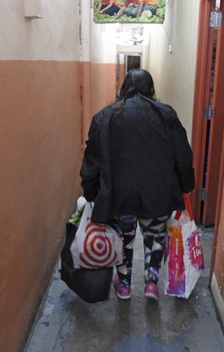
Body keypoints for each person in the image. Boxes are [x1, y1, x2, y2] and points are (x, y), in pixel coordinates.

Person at [80, 69, 194, 300]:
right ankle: (151, 283)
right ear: (151, 89)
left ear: (124, 88)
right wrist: (186, 185)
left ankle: (124, 286)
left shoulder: (104, 117)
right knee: (154, 236)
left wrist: (91, 191)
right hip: (158, 193)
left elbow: (92, 159)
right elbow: (183, 154)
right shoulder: (167, 114)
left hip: (120, 196)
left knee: (124, 240)